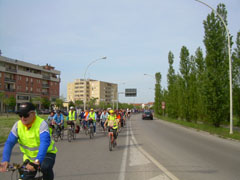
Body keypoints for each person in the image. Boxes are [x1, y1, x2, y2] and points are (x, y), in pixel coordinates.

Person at [0, 102, 57, 180]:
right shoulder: (17, 125)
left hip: (47, 154)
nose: (22, 118)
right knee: (24, 177)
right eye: (20, 115)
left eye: (26, 115)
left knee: (45, 167)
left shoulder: (41, 124)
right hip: (29, 158)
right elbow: (9, 143)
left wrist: (37, 161)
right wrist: (5, 160)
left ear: (33, 114)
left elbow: (44, 143)